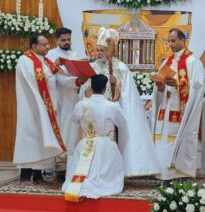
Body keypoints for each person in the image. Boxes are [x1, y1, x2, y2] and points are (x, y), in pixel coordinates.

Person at [79, 27, 160, 177]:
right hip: (94, 115)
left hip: (112, 114)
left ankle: (113, 171)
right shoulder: (91, 67)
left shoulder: (120, 68)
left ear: (110, 51)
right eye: (97, 50)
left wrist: (117, 84)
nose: (99, 53)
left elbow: (129, 95)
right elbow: (84, 90)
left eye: (102, 50)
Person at [13, 33, 85, 184]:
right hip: (33, 107)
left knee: (43, 139)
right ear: (34, 46)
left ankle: (38, 175)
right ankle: (25, 175)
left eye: (47, 44)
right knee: (31, 139)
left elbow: (59, 80)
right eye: (44, 44)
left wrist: (77, 81)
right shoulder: (25, 60)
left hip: (47, 107)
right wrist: (55, 66)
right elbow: (36, 79)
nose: (47, 47)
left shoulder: (46, 62)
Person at [150, 28, 205, 180]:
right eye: (169, 41)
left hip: (179, 111)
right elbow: (159, 90)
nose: (171, 44)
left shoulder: (193, 61)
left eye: (174, 41)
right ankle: (163, 176)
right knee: (162, 143)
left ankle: (177, 176)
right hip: (165, 109)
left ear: (183, 41)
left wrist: (177, 85)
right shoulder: (167, 62)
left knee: (175, 140)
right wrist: (160, 87)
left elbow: (198, 87)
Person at [63, 74, 126, 201]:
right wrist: (115, 102)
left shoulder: (81, 105)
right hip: (105, 146)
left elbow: (74, 120)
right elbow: (122, 124)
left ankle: (81, 185)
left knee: (82, 171)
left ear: (91, 87)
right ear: (104, 89)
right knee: (103, 177)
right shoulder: (112, 106)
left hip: (85, 143)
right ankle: (101, 183)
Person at [46, 28, 87, 179]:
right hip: (58, 99)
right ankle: (58, 168)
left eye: (68, 39)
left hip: (73, 97)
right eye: (63, 40)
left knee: (73, 131)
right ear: (56, 40)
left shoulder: (74, 54)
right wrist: (76, 81)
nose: (67, 42)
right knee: (61, 129)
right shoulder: (51, 55)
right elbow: (55, 78)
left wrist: (82, 76)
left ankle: (70, 166)